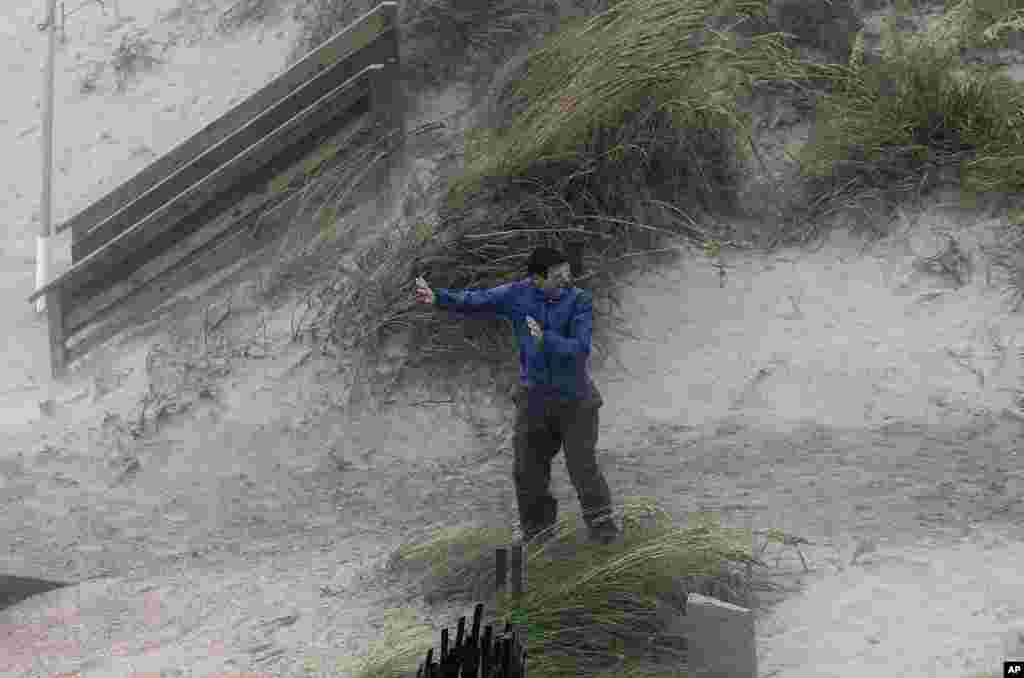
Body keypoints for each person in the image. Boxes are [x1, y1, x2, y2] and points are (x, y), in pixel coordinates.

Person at [414, 246, 621, 546]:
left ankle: (605, 536)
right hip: (533, 399)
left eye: (567, 273)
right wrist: (439, 298)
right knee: (527, 473)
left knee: (583, 470)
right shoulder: (517, 294)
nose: (566, 280)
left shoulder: (580, 301)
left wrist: (545, 338)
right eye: (557, 276)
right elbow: (477, 300)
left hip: (576, 401)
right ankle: (538, 537)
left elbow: (580, 350)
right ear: (537, 279)